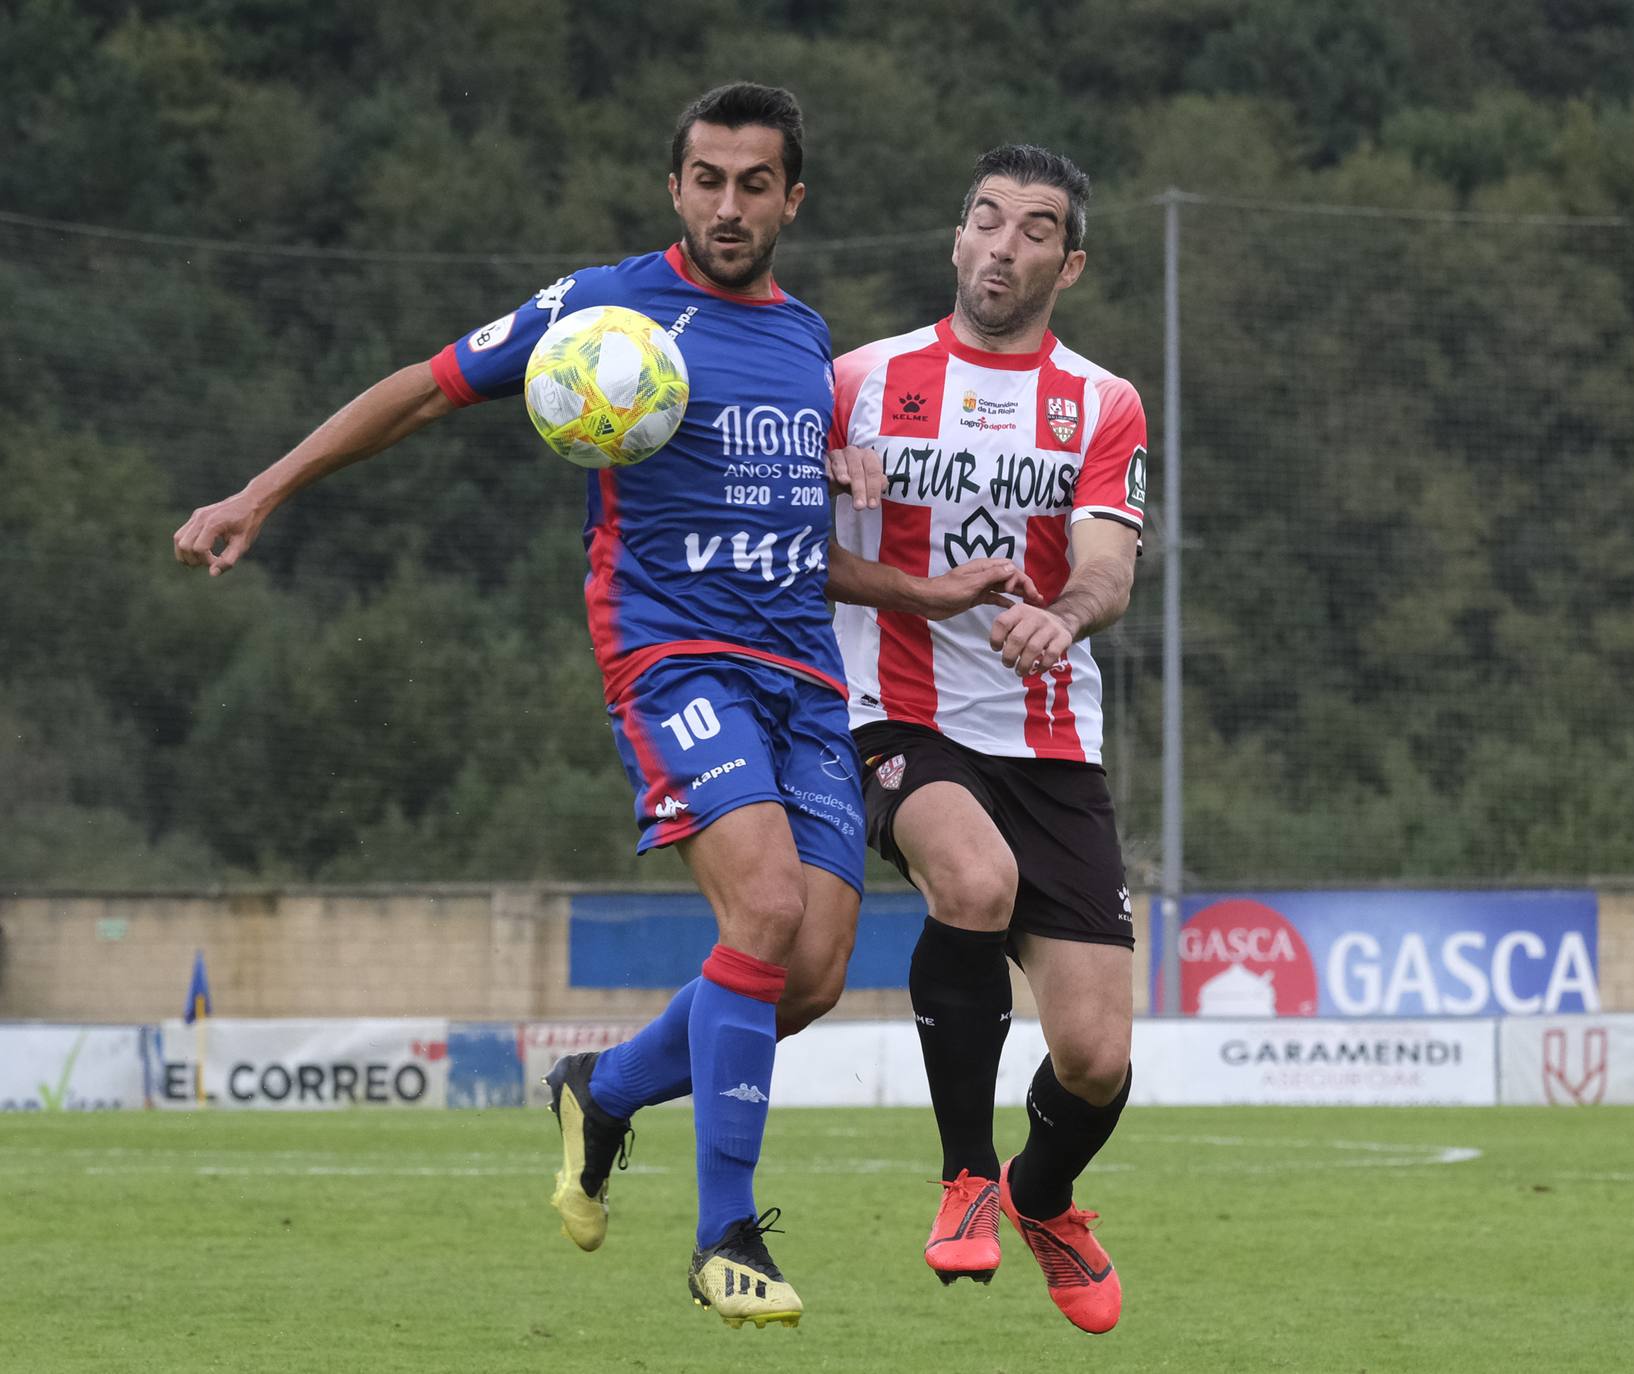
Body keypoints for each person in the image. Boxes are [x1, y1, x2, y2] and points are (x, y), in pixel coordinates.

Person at [172, 82, 1030, 1333]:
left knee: (812, 973)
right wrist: (263, 491)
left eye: (753, 184)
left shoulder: (806, 343)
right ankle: (724, 1236)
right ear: (673, 188)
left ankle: (602, 1091)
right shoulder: (603, 306)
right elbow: (422, 387)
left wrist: (926, 590)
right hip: (673, 657)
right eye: (705, 180)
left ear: (793, 197)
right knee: (767, 907)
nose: (727, 206)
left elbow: (795, 542)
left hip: (803, 679)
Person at [824, 144, 1146, 1334]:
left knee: (1098, 1059)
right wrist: (817, 462)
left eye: (1033, 229)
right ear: (955, 237)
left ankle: (1039, 1192)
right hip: (898, 717)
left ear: (1070, 263)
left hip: (1054, 745)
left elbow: (1110, 562)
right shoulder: (855, 378)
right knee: (971, 877)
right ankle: (964, 1177)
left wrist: (1060, 618)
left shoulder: (1102, 403)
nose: (1001, 244)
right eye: (984, 219)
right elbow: (773, 528)